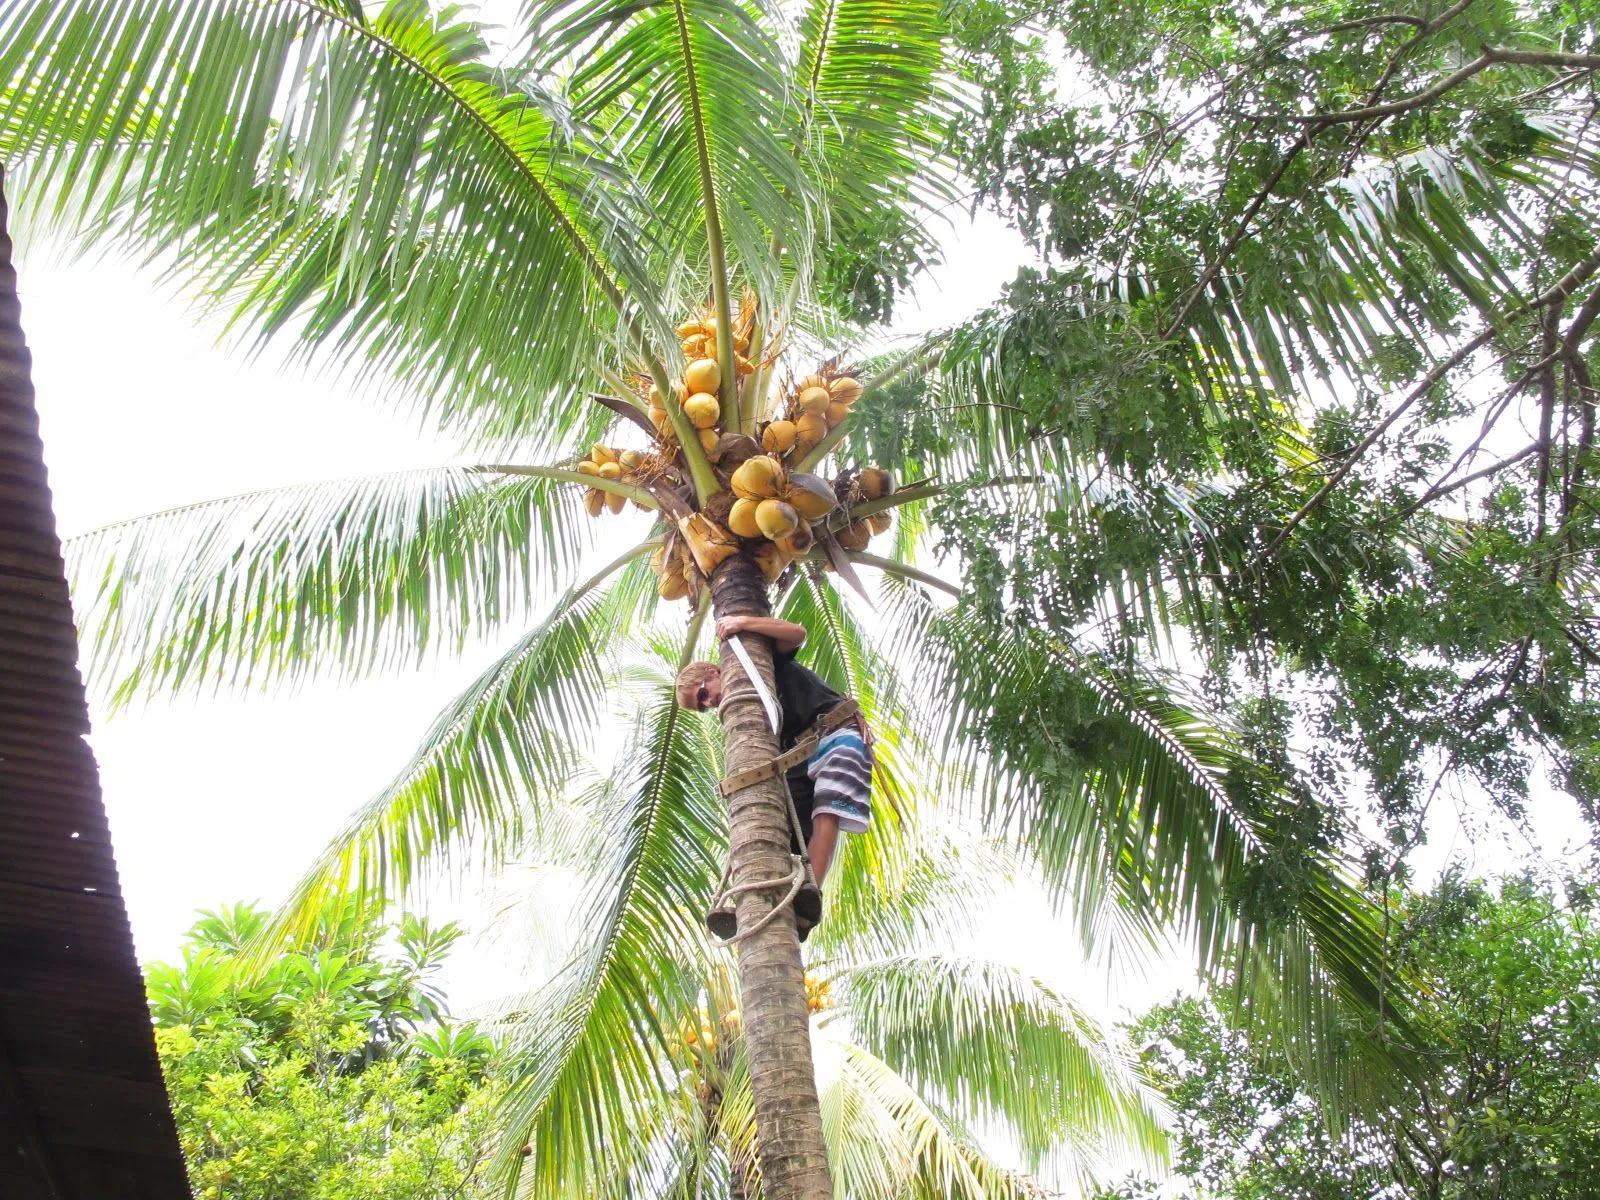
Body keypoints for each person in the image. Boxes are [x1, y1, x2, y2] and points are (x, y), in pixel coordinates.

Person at [676, 615, 873, 940]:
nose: (709, 703)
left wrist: (742, 623)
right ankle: (760, 901)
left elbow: (798, 633)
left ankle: (811, 892)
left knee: (827, 811)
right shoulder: (755, 713)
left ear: (712, 671)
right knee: (771, 823)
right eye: (702, 707)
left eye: (703, 694)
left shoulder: (760, 662)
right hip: (802, 756)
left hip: (838, 733)